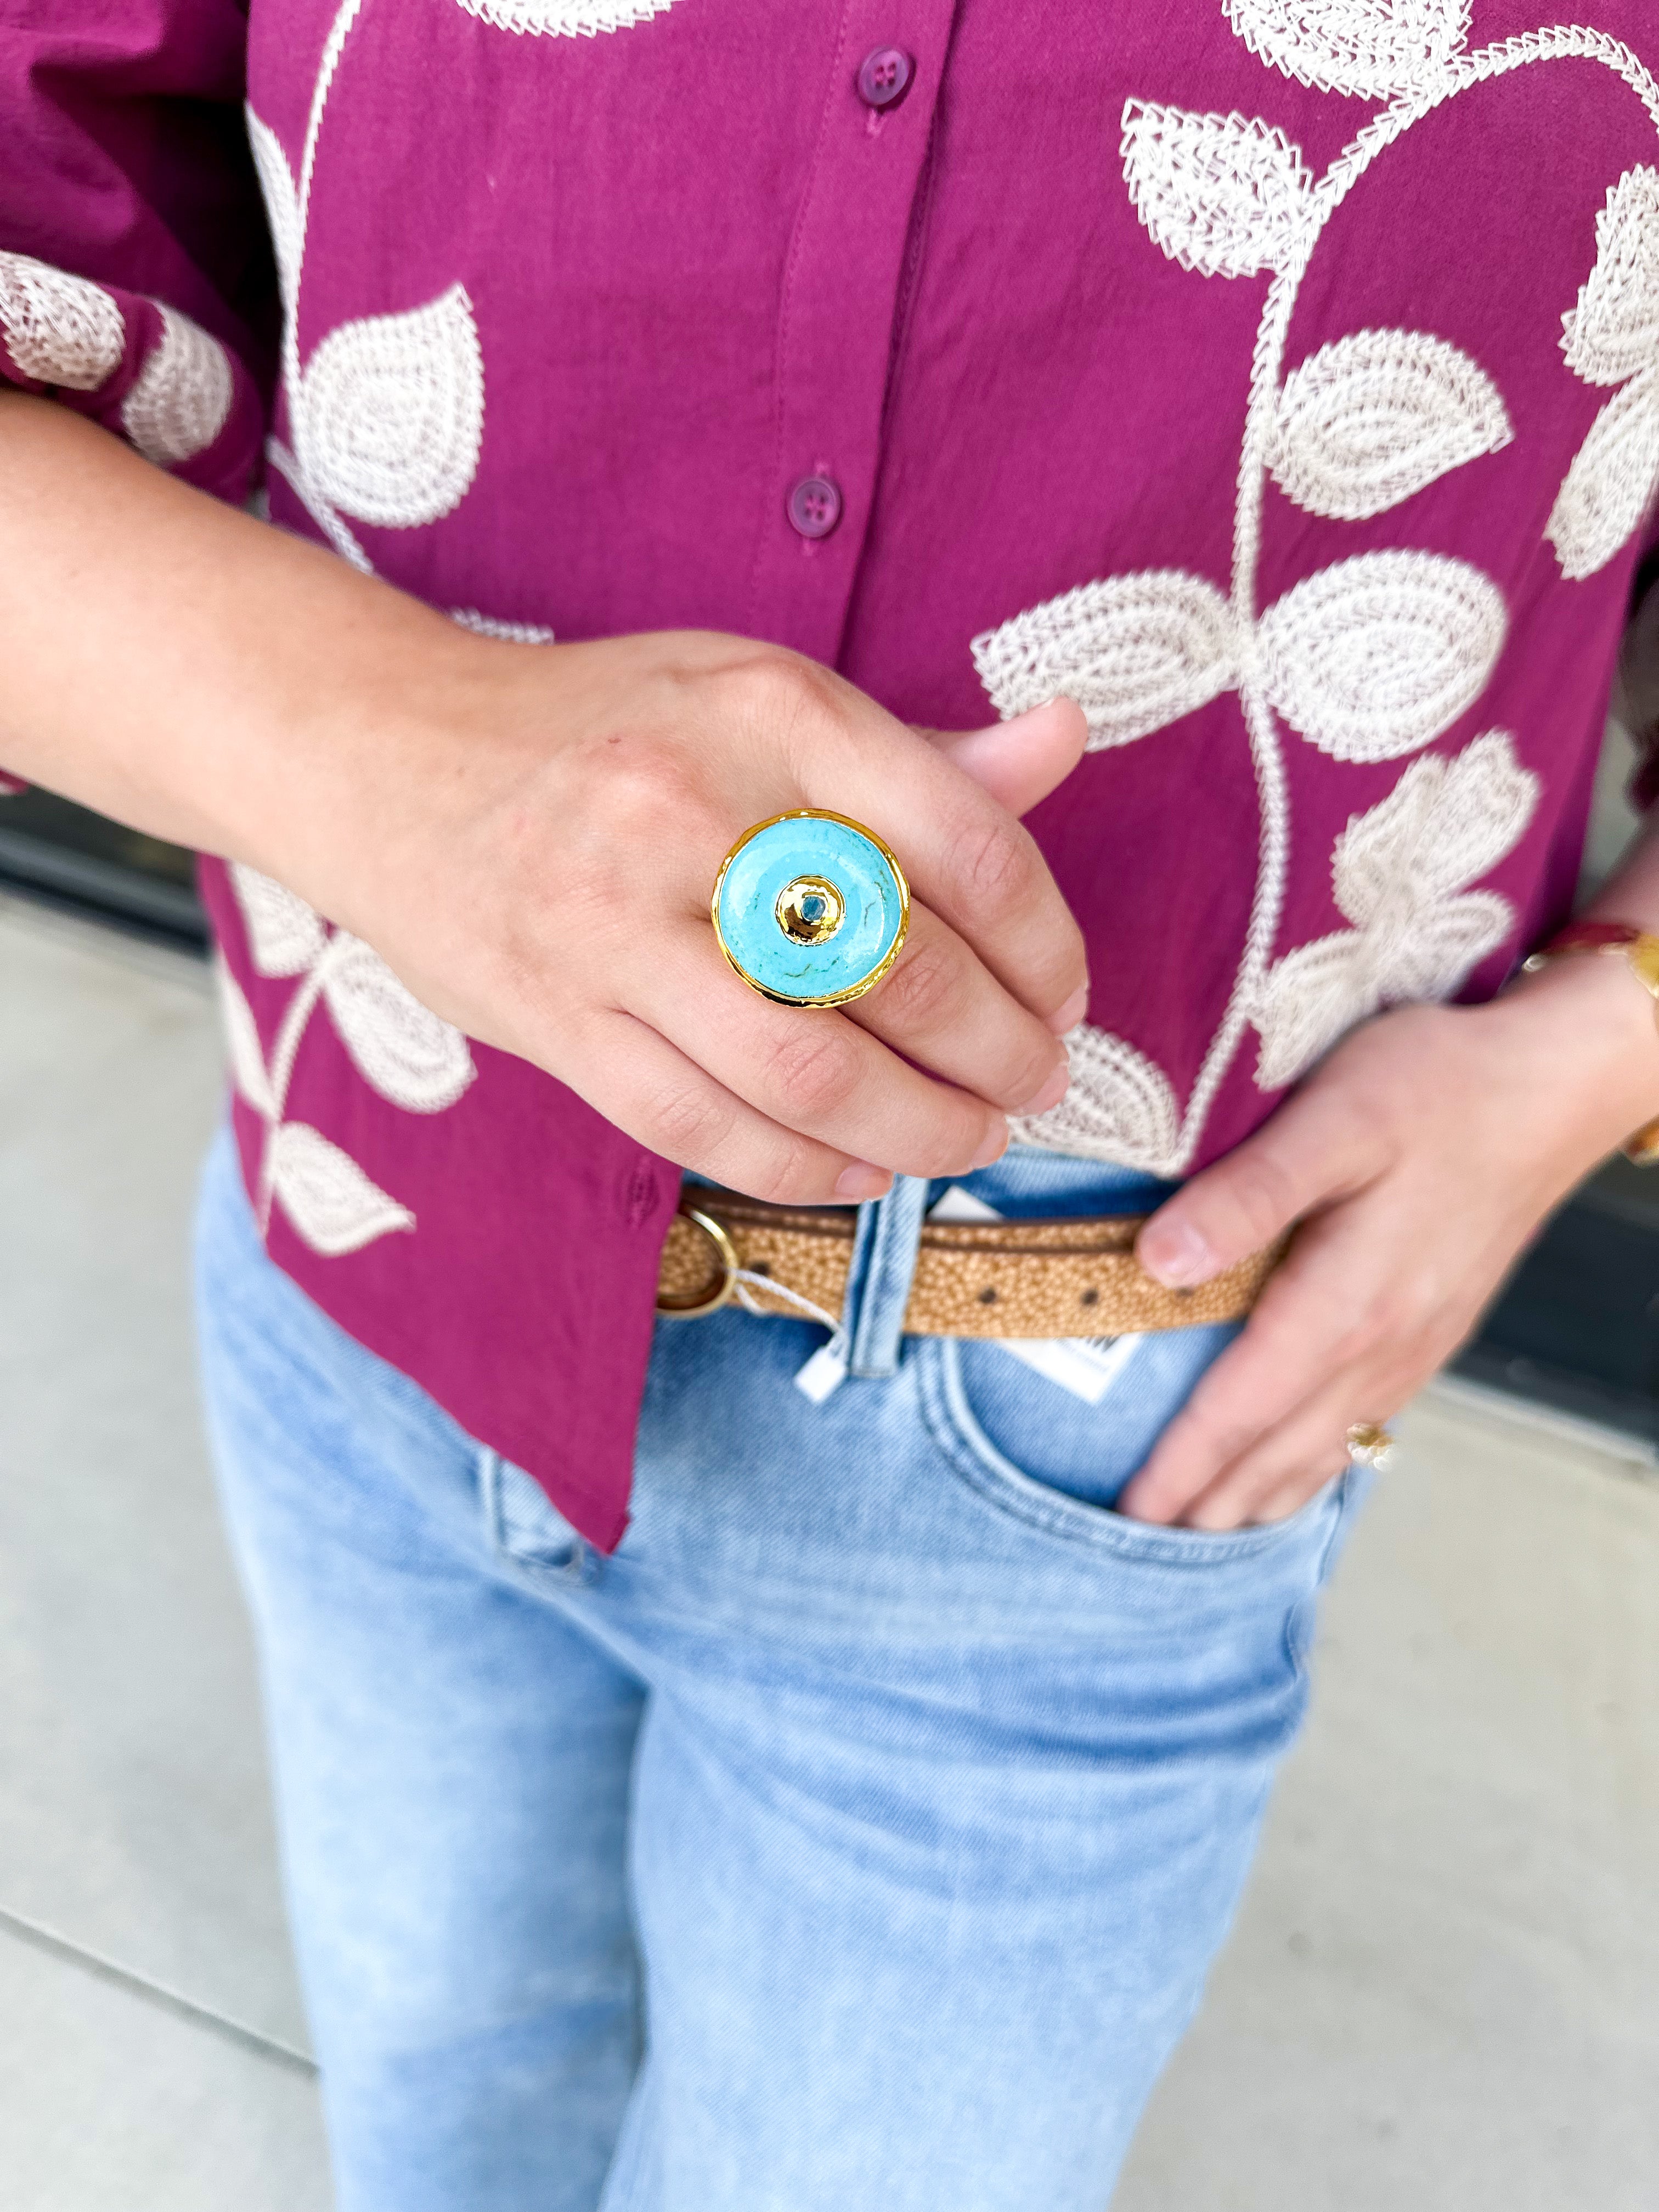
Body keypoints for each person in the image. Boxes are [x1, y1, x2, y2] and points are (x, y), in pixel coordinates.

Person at [4, 3, 1659, 2205]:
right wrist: (395, 754)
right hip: (375, 1219)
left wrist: (1609, 1034)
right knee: (438, 2140)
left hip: (1086, 1412)